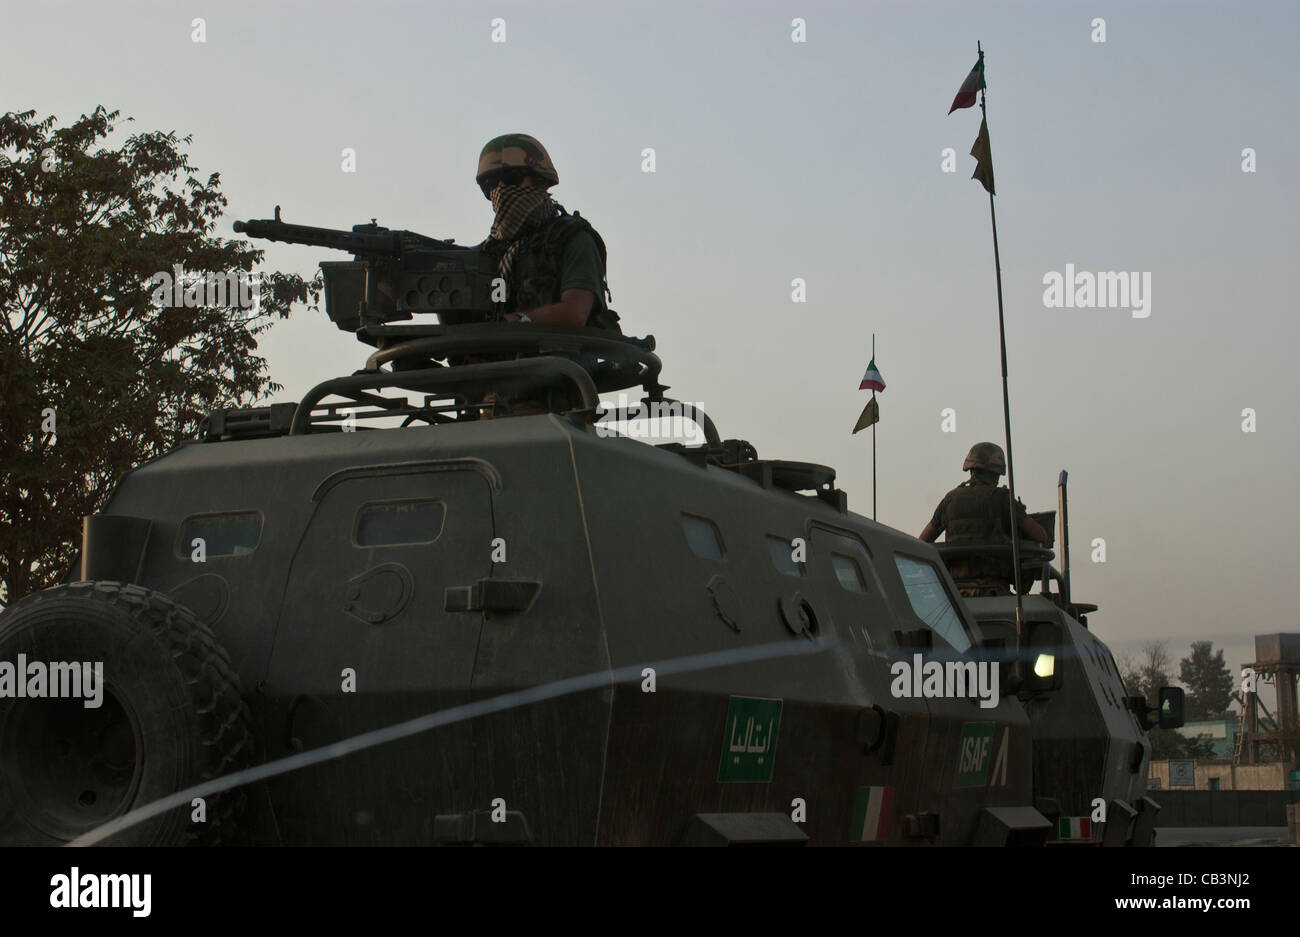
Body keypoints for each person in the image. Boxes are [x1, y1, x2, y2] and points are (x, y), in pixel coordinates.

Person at [474, 133, 619, 331]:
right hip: (501, 358)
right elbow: (469, 321)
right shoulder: (489, 252)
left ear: (540, 181)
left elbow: (574, 314)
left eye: (510, 178)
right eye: (490, 183)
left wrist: (516, 322)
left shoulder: (571, 239)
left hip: (557, 357)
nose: (500, 188)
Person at [919, 442, 1047, 595]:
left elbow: (922, 542)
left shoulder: (950, 500)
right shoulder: (1002, 499)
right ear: (996, 473)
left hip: (956, 594)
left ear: (971, 470)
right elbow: (1040, 536)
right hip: (995, 588)